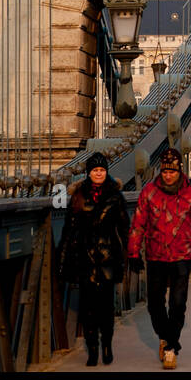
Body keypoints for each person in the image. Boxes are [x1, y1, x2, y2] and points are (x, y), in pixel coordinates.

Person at [127, 147, 191, 370]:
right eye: (165, 171)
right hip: (156, 255)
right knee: (155, 305)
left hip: (181, 256)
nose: (168, 175)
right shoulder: (149, 192)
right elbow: (138, 225)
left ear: (179, 171)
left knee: (178, 304)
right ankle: (165, 336)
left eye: (172, 172)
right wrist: (133, 253)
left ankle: (170, 349)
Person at [56, 152, 129, 367]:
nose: (99, 173)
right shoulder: (78, 195)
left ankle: (106, 345)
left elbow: (124, 228)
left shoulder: (116, 196)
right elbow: (69, 230)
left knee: (106, 307)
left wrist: (124, 255)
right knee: (87, 307)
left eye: (102, 170)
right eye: (95, 170)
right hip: (84, 259)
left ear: (106, 172)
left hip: (108, 258)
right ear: (89, 173)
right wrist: (62, 259)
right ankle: (92, 349)